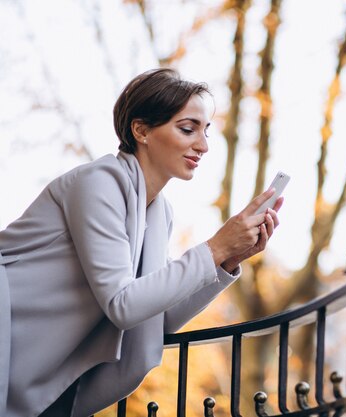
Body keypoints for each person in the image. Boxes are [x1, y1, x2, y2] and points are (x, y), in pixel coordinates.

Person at [0, 68, 283, 417]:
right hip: (13, 349)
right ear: (141, 130)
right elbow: (123, 304)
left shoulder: (158, 211)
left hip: (53, 376)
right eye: (187, 128)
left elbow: (154, 319)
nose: (204, 145)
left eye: (205, 131)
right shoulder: (98, 182)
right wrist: (215, 248)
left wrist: (226, 261)